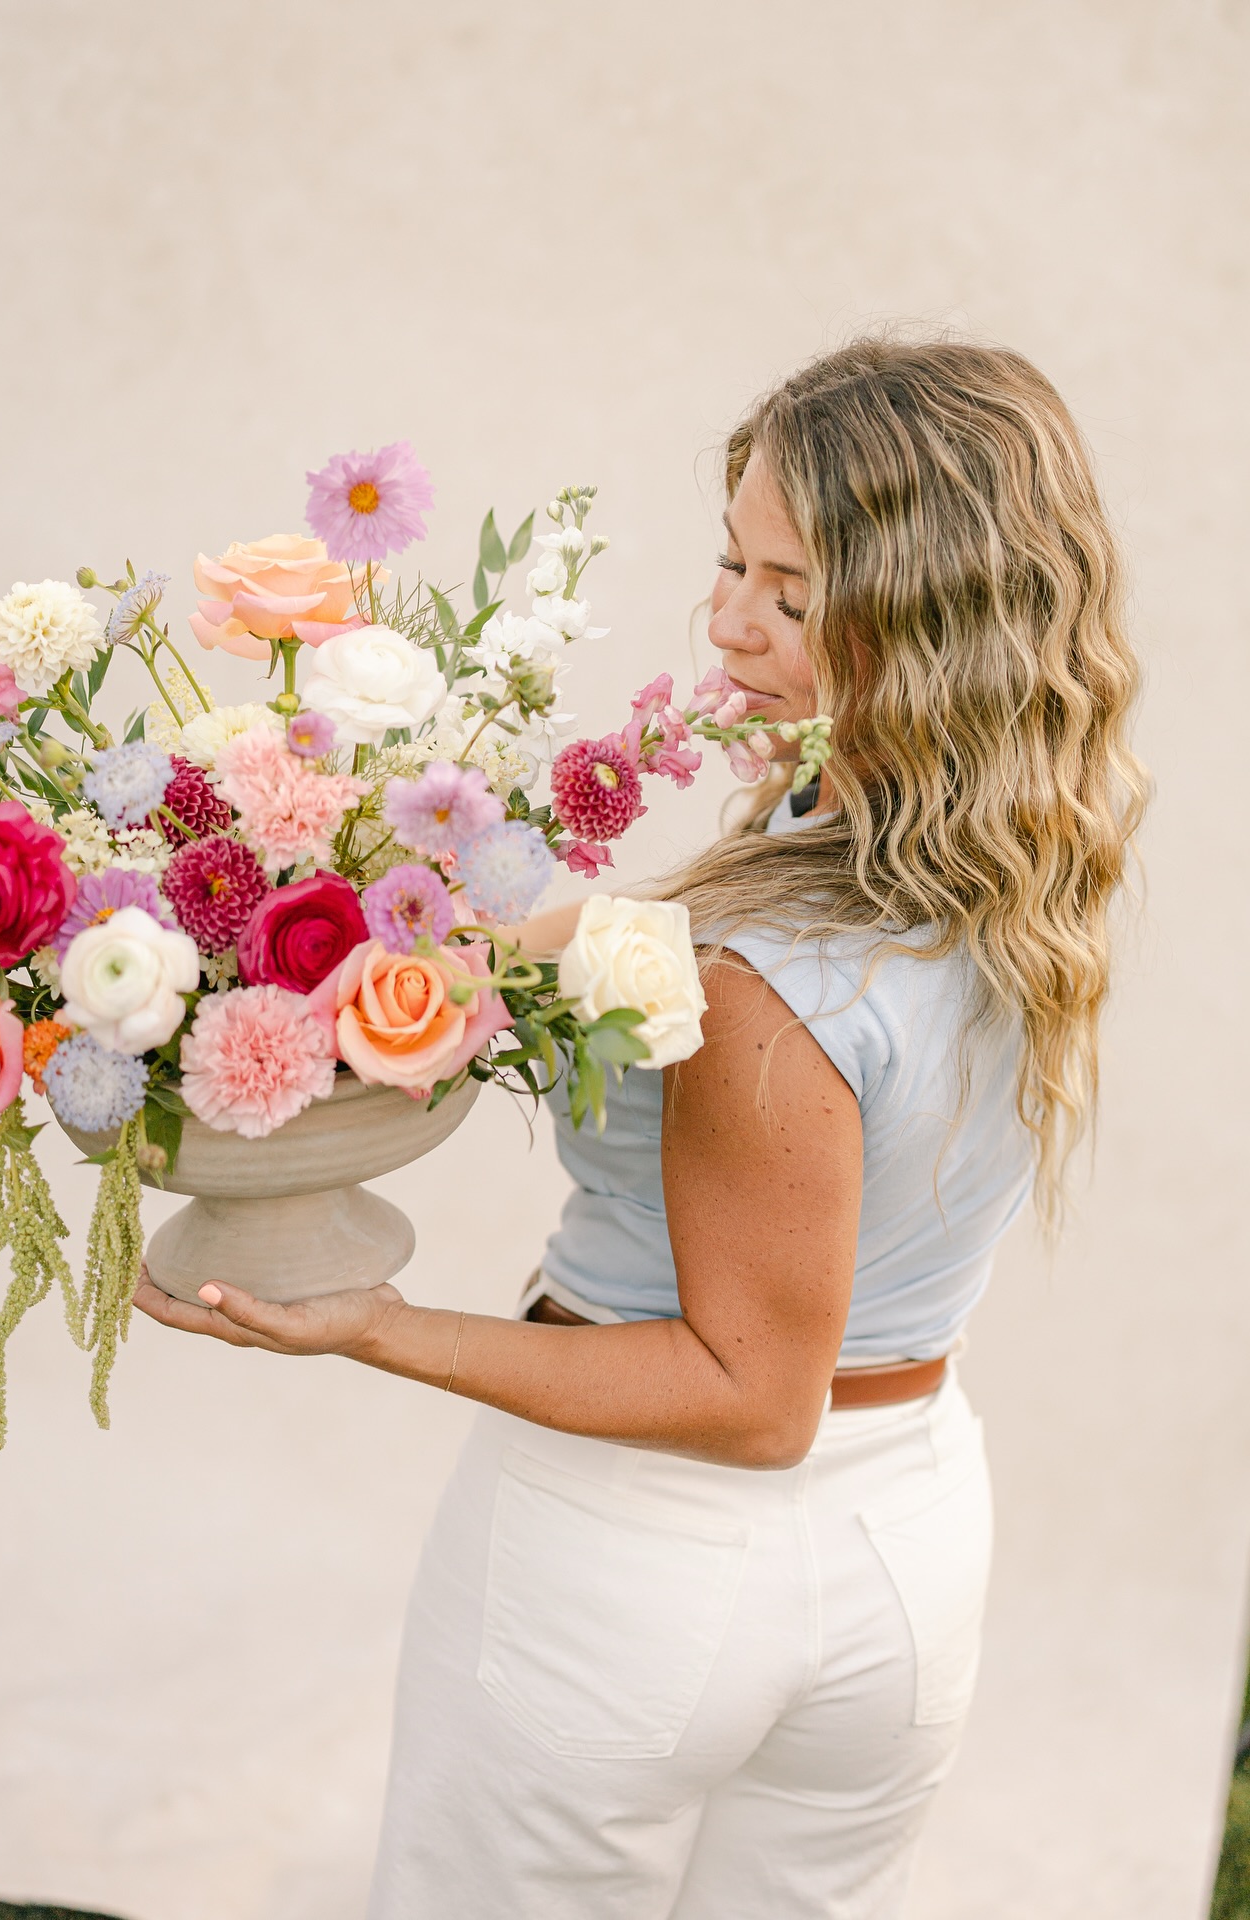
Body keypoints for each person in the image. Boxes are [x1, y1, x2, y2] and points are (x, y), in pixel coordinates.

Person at [134, 337, 1147, 1918]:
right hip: (912, 1546)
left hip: (637, 1567)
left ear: (937, 619)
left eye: (796, 597)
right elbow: (781, 1003)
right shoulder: (1013, 854)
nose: (731, 623)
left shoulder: (768, 980)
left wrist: (377, 1329)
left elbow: (751, 1399)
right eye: (733, 565)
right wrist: (473, 939)